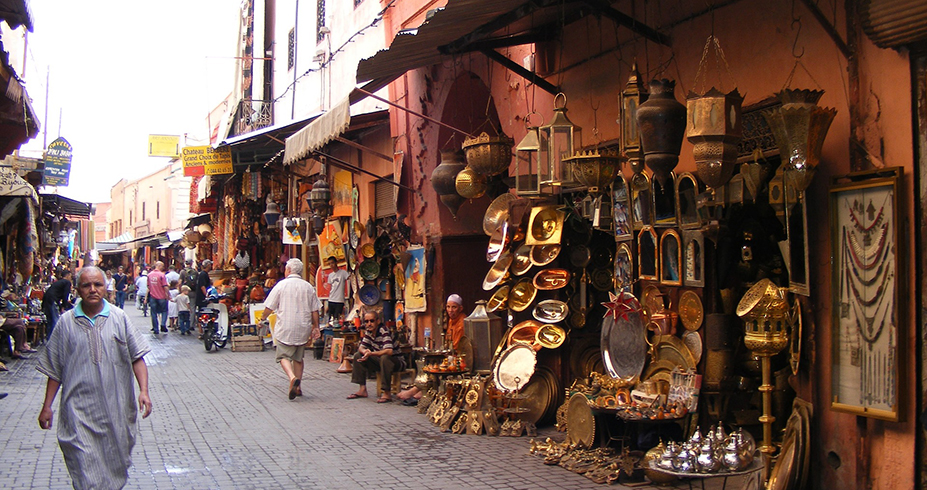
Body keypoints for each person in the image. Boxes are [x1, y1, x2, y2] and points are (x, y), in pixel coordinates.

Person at [36, 266, 152, 490]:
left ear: (105, 287)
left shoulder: (120, 318)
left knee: (115, 468)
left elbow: (137, 357)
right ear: (77, 289)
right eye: (86, 285)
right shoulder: (65, 323)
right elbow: (54, 369)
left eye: (97, 284)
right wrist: (47, 406)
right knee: (85, 473)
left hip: (116, 411)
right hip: (78, 412)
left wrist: (144, 391)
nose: (92, 290)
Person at [261, 258, 321, 400]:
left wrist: (262, 318)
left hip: (286, 326)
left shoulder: (281, 285)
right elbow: (315, 310)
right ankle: (298, 388)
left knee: (283, 356)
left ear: (288, 270)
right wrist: (316, 326)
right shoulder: (308, 287)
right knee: (298, 358)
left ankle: (292, 377)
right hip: (303, 326)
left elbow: (270, 306)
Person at [347, 310, 399, 403]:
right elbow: (361, 347)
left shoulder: (383, 330)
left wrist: (371, 353)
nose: (369, 324)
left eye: (372, 321)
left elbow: (389, 351)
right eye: (366, 321)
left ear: (378, 321)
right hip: (380, 361)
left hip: (395, 362)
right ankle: (362, 389)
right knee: (357, 355)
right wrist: (365, 352)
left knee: (385, 357)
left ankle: (387, 392)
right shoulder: (369, 332)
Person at [1, 290, 35, 359]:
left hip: (2, 320)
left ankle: (16, 351)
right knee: (19, 322)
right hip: (1, 321)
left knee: (19, 328)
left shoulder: (5, 302)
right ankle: (24, 345)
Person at [42, 270, 73, 339]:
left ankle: (49, 338)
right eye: (70, 276)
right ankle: (54, 339)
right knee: (55, 321)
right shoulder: (67, 282)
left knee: (50, 321)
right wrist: (64, 306)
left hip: (47, 300)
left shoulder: (58, 282)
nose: (70, 278)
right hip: (53, 300)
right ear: (67, 275)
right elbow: (65, 295)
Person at [325, 256, 350, 324]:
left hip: (339, 300)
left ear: (336, 263)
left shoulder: (343, 273)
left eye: (332, 263)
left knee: (337, 318)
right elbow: (330, 287)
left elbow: (350, 280)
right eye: (329, 264)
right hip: (331, 299)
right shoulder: (330, 275)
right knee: (330, 319)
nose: (331, 265)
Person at [147, 261, 170, 334]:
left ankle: (156, 329)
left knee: (153, 313)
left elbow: (148, 286)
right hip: (162, 296)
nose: (163, 268)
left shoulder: (149, 275)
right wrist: (168, 295)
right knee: (164, 311)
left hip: (152, 296)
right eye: (162, 266)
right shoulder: (162, 275)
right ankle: (163, 324)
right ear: (159, 266)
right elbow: (165, 286)